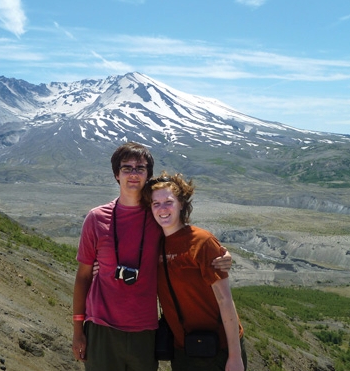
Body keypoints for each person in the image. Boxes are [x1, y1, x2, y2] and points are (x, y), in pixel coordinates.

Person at [72, 142, 232, 371]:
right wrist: (78, 331)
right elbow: (83, 277)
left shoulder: (158, 215)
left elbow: (189, 240)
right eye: (126, 168)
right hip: (101, 328)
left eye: (140, 168)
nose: (133, 174)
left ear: (148, 175)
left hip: (145, 331)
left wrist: (222, 254)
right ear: (116, 174)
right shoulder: (96, 219)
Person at [145, 171, 246, 371]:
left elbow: (225, 299)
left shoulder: (201, 242)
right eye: (156, 204)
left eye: (168, 202)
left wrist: (234, 356)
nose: (162, 209)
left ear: (181, 203)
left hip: (219, 348)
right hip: (184, 351)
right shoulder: (155, 245)